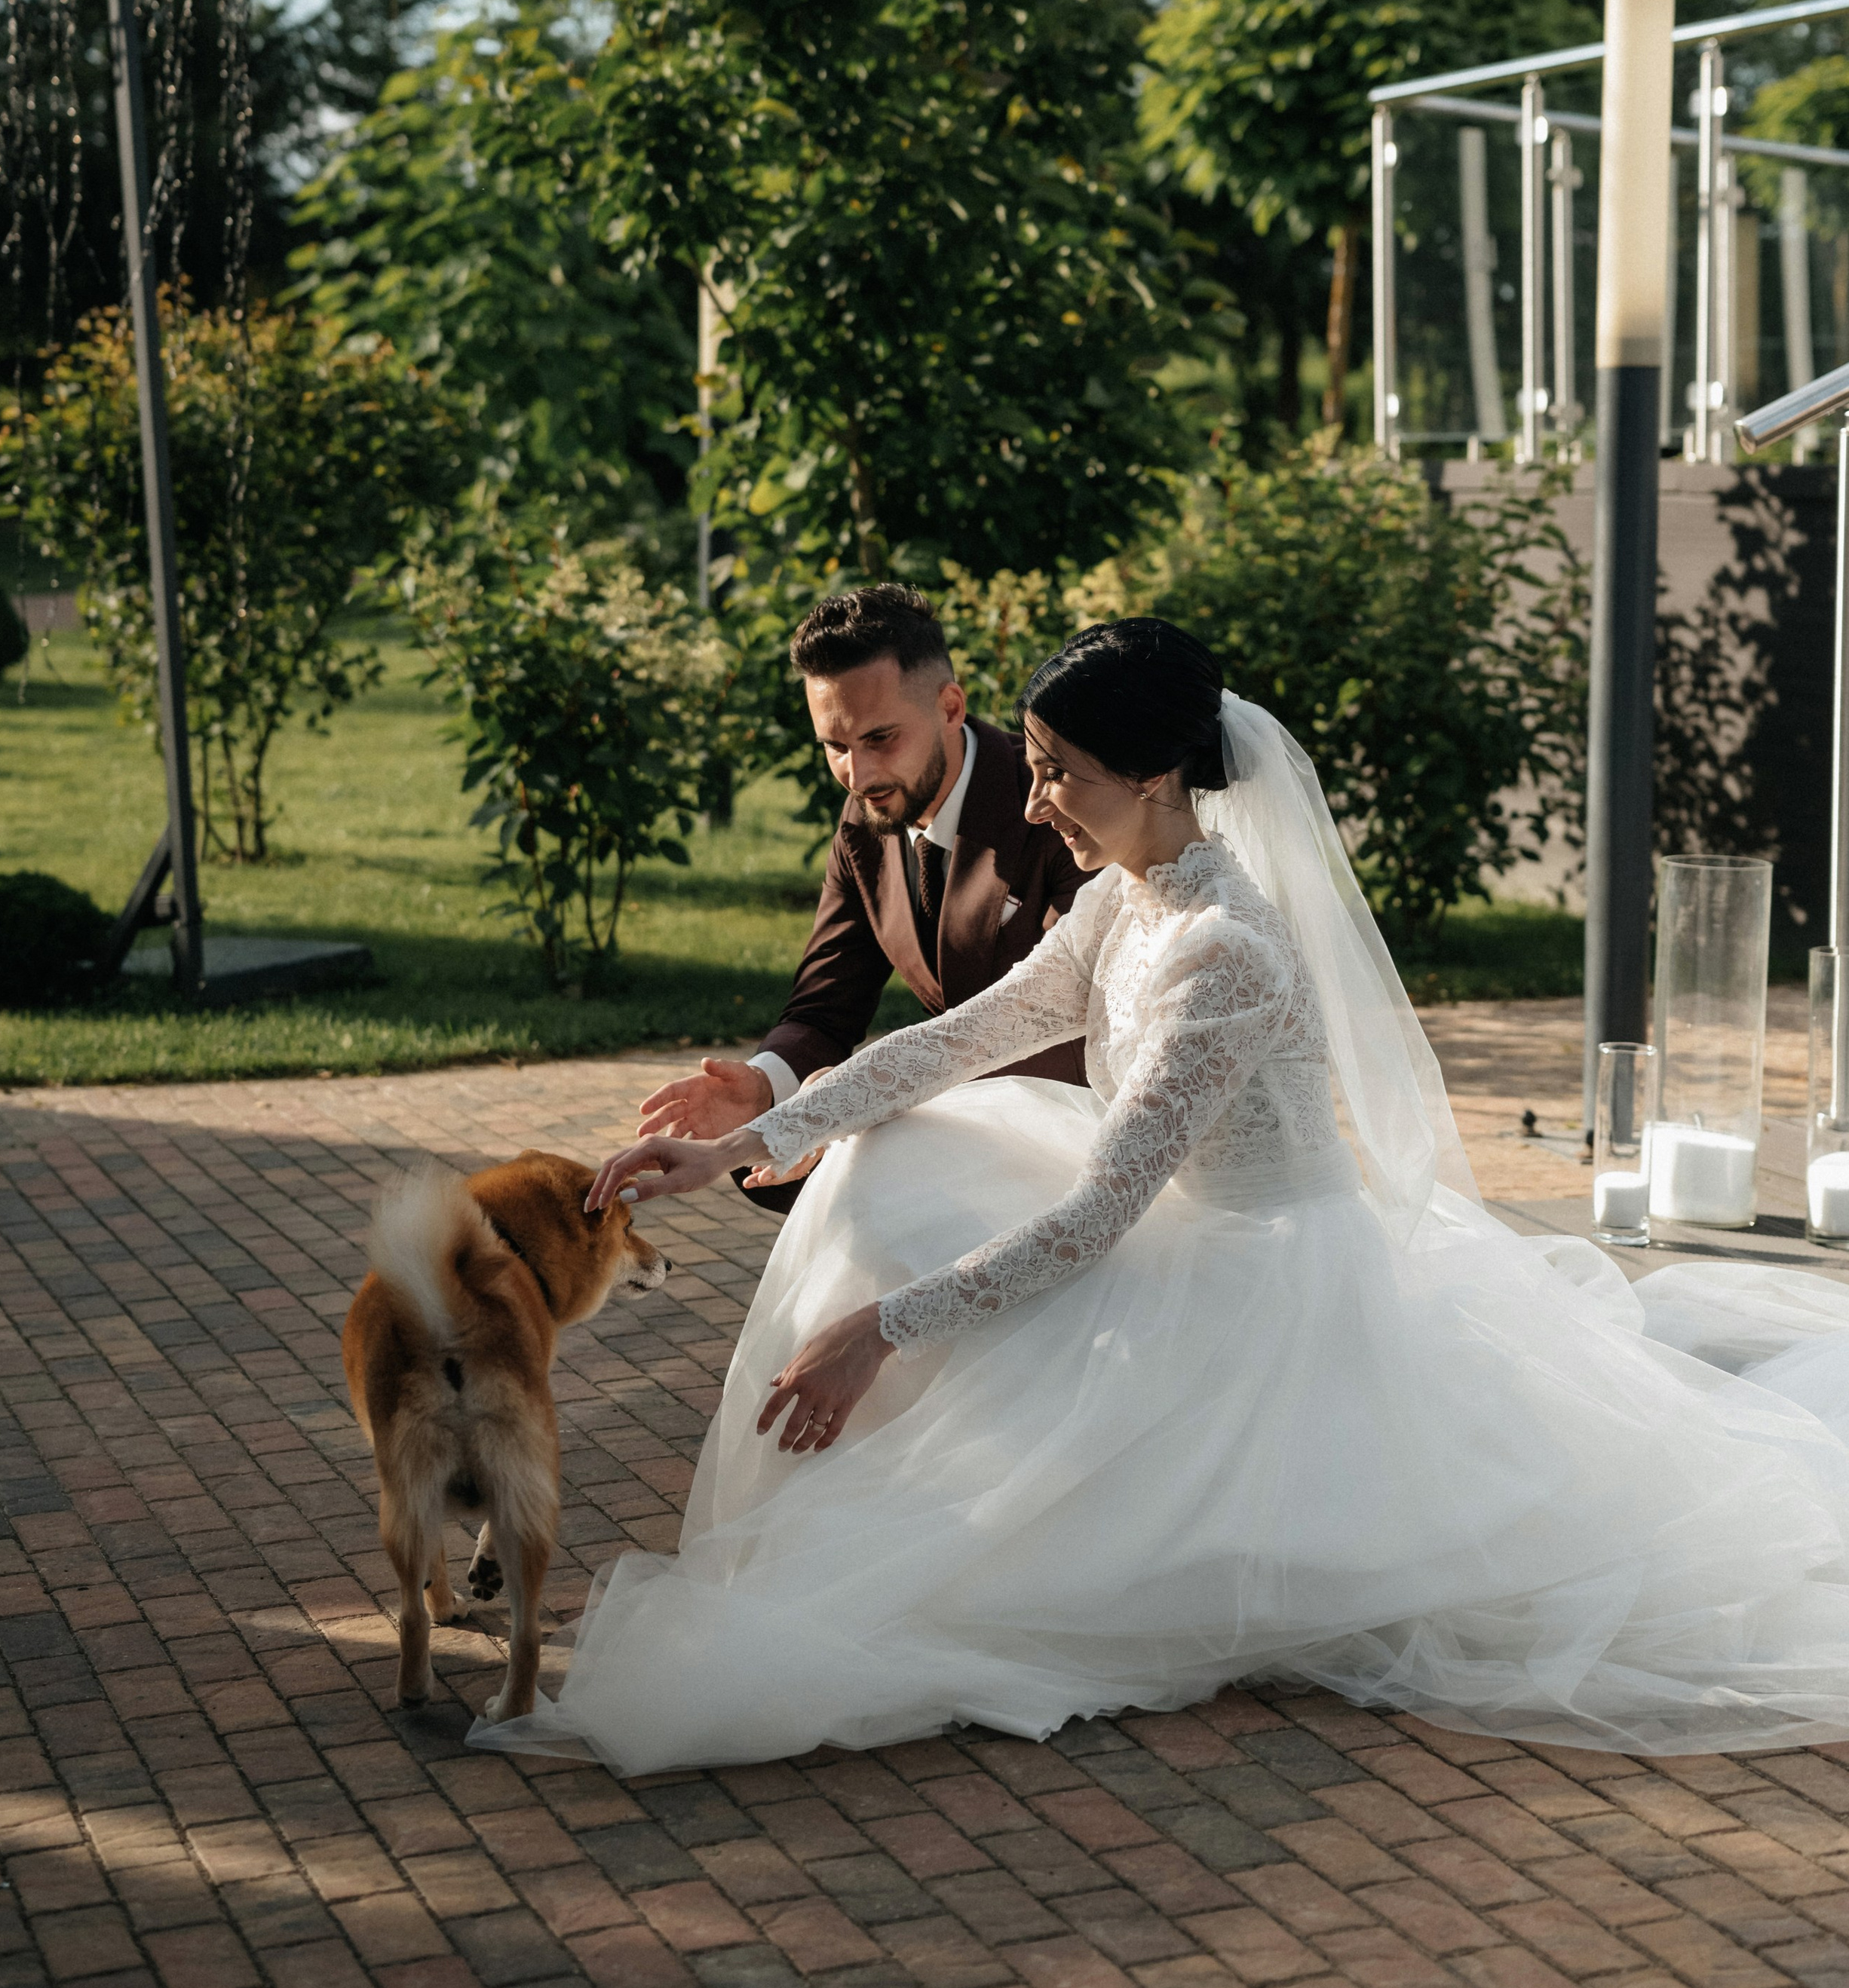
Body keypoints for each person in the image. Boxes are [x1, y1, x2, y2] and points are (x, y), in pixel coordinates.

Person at [472, 618, 1849, 1778]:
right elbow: (956, 1037)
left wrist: (882, 1327)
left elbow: (1097, 1220)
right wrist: (747, 1143)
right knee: (901, 1143)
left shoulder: (1222, 950)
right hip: (1164, 1223)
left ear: (1161, 773)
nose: (1034, 801)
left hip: (1264, 1283)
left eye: (1063, 774)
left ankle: (906, 1468)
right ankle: (870, 1457)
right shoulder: (1126, 895)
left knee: (1022, 1518)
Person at [635, 585, 1090, 1213]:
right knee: (789, 1162)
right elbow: (824, 1012)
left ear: (951, 706)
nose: (860, 773)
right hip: (958, 1114)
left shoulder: (1055, 807)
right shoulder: (864, 823)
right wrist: (765, 1085)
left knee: (854, 1169)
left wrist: (873, 1089)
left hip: (1076, 1118)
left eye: (881, 738)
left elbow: (1083, 1016)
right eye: (836, 746)